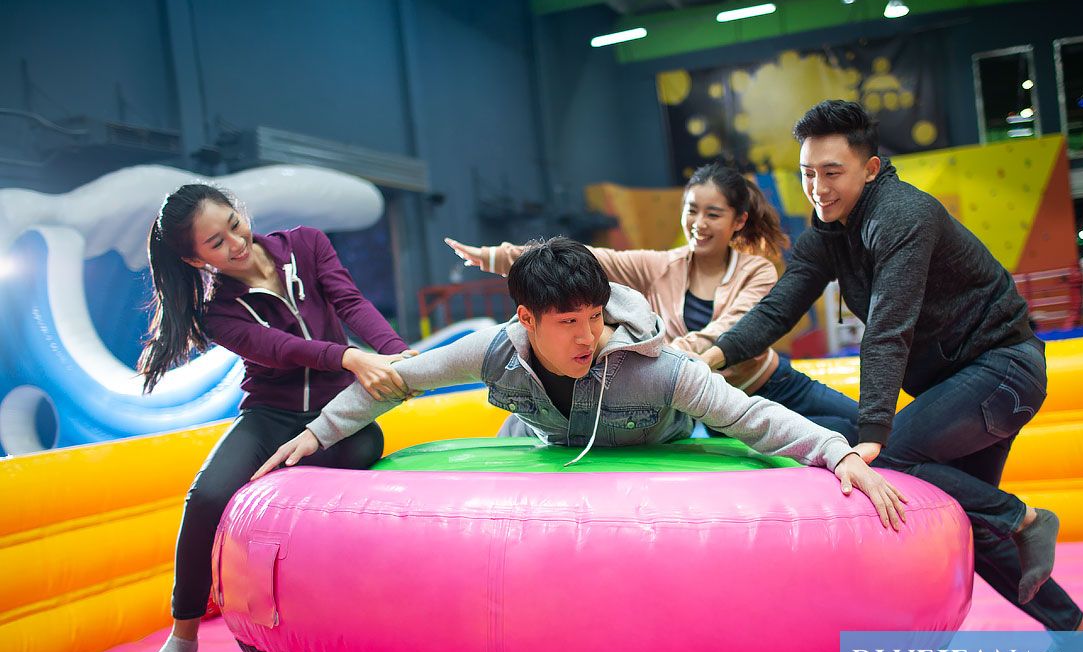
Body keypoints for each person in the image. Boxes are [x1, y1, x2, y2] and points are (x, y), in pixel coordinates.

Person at [701, 100, 1083, 638]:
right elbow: (779, 308)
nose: (818, 188)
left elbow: (889, 329)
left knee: (892, 457)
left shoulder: (903, 216)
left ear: (871, 167)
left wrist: (871, 435)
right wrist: (710, 358)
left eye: (832, 172)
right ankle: (1072, 627)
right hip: (961, 384)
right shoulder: (828, 229)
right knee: (970, 521)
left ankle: (1022, 517)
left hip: (1004, 369)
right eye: (807, 174)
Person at [255, 237, 907, 534]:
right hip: (549, 441)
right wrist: (316, 434)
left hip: (655, 443)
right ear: (526, 319)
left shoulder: (655, 367)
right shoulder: (494, 351)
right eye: (567, 323)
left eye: (593, 319)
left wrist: (838, 451)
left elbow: (750, 414)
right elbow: (396, 380)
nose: (585, 337)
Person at [126, 184, 412, 652]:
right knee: (208, 496)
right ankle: (182, 633)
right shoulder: (218, 314)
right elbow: (281, 349)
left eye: (234, 224)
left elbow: (350, 301)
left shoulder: (306, 244)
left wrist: (399, 356)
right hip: (272, 415)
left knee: (363, 446)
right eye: (216, 243)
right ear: (195, 258)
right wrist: (351, 358)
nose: (235, 243)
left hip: (335, 413)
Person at [444, 162, 859, 443]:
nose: (699, 224)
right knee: (826, 435)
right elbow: (595, 259)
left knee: (859, 426)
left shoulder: (757, 271)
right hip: (713, 405)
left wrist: (665, 363)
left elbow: (732, 330)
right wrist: (499, 256)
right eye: (691, 210)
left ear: (739, 221)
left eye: (713, 214)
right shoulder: (662, 265)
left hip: (768, 382)